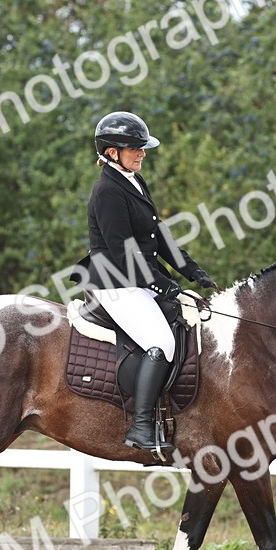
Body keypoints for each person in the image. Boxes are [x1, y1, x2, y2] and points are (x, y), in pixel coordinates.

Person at [81, 111, 220, 455]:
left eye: (143, 148)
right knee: (161, 342)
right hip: (115, 283)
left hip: (137, 278)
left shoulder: (134, 180)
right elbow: (123, 251)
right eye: (136, 148)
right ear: (112, 152)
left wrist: (192, 271)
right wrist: (162, 284)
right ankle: (141, 426)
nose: (142, 153)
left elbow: (159, 235)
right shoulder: (107, 191)